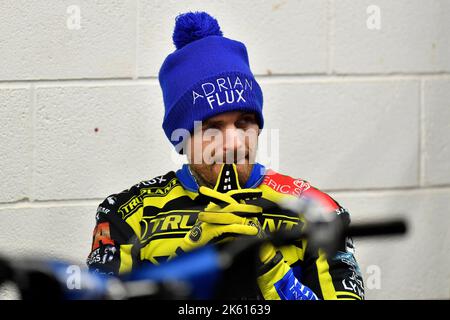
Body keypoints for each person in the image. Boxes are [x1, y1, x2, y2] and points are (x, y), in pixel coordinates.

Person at [87, 11, 364, 300]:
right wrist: (192, 264)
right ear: (182, 139)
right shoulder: (126, 213)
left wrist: (271, 270)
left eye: (244, 122)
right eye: (211, 127)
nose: (233, 142)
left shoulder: (317, 210)